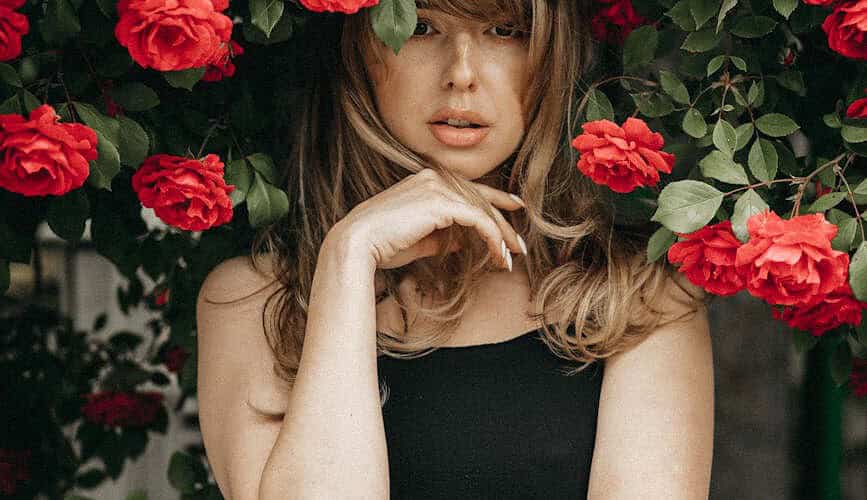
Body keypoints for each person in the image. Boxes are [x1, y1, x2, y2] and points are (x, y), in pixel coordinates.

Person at [195, 0, 715, 498]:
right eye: (421, 26)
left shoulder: (638, 292)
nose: (461, 73)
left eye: (505, 29)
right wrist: (348, 258)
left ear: (555, 56)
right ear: (356, 51)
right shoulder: (255, 301)